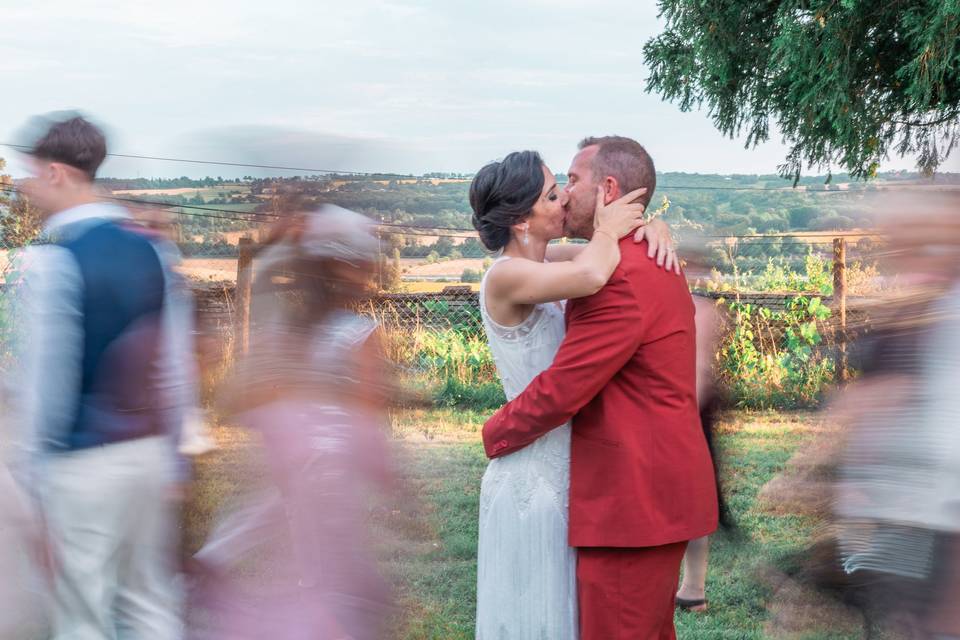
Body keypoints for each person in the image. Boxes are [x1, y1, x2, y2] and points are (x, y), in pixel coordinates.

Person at [481, 137, 718, 640]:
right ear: (520, 217)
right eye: (555, 190)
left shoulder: (614, 275)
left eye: (570, 182)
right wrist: (634, 225)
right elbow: (579, 266)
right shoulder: (598, 266)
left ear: (608, 188)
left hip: (631, 497)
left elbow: (566, 386)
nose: (565, 196)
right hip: (603, 484)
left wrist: (493, 434)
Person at [7, 112, 193, 640]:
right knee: (151, 606)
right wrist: (176, 454)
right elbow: (175, 364)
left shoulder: (50, 260)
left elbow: (48, 379)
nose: (27, 186)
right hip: (149, 453)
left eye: (32, 172)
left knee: (82, 615)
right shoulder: (154, 250)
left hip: (80, 461)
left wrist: (31, 478)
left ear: (58, 173)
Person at [192, 205, 395, 640]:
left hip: (300, 458)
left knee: (309, 559)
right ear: (351, 268)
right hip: (331, 469)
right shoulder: (359, 332)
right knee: (333, 573)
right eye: (366, 263)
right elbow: (368, 415)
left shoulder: (296, 327)